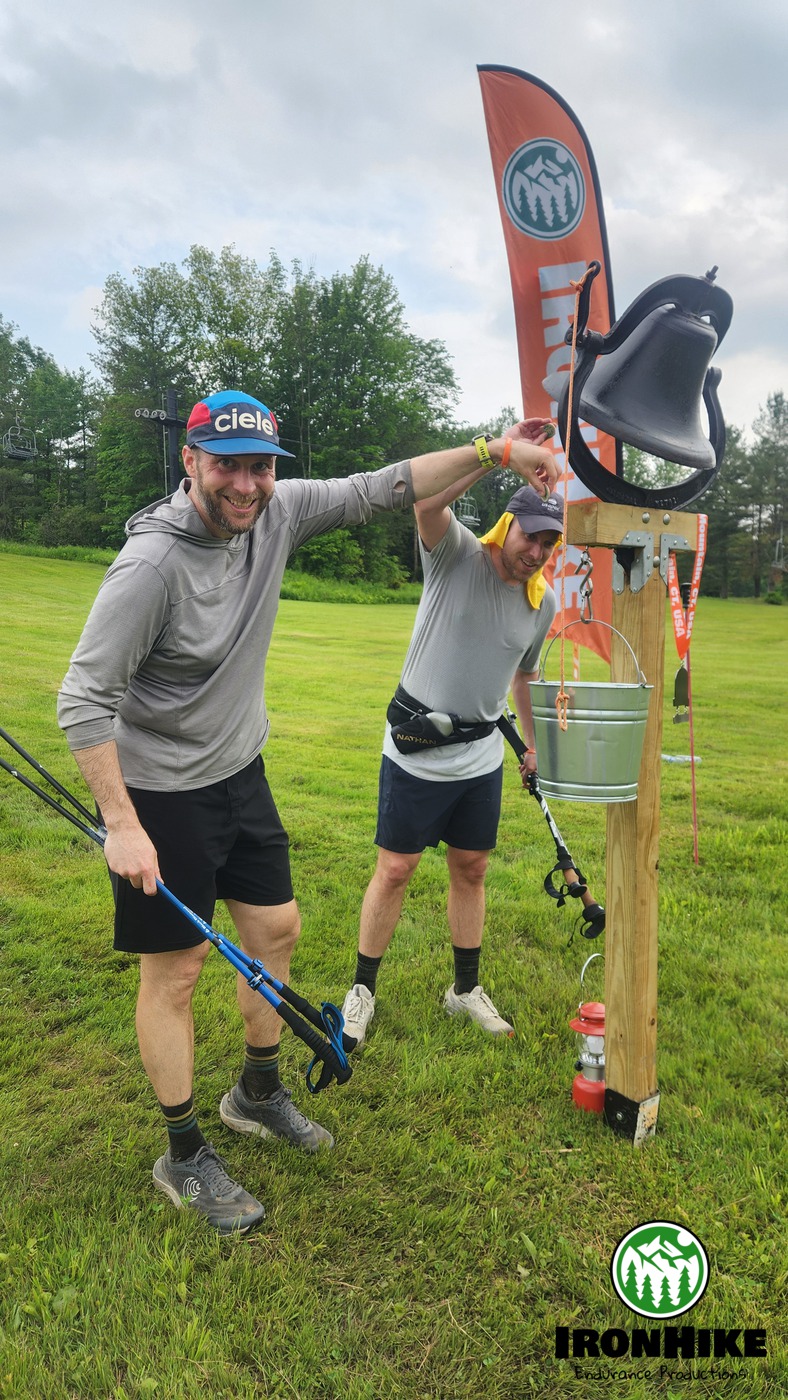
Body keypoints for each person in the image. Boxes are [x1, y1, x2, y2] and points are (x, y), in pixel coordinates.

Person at [57, 390, 557, 1235]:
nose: (246, 485)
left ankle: (256, 1092)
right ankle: (182, 1155)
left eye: (260, 467)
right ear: (191, 462)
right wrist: (124, 822)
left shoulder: (277, 513)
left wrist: (495, 452)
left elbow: (389, 485)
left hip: (239, 772)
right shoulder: (151, 568)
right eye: (227, 465)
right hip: (163, 793)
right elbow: (82, 699)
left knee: (277, 930)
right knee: (175, 973)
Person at [339, 420, 563, 1049]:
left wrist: (534, 743)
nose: (538, 552)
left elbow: (525, 673)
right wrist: (500, 454)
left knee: (471, 868)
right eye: (531, 537)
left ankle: (464, 990)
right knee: (396, 869)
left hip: (480, 757)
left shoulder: (541, 602)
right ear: (507, 525)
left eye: (550, 544)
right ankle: (362, 991)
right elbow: (426, 499)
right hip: (415, 747)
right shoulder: (454, 554)